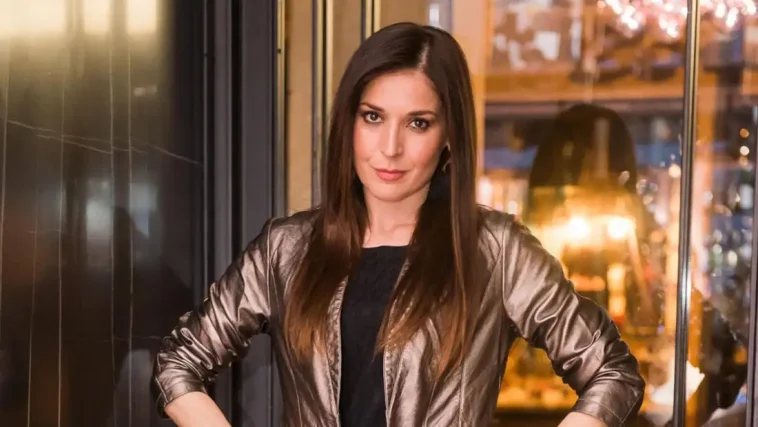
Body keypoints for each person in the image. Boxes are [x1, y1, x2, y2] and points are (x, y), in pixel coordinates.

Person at [152, 22, 645, 427]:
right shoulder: (287, 247)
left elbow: (612, 372)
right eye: (373, 117)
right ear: (349, 123)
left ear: (449, 136)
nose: (390, 148)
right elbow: (177, 364)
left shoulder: (494, 249)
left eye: (418, 123)